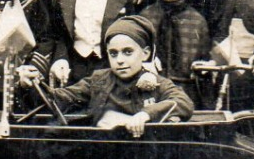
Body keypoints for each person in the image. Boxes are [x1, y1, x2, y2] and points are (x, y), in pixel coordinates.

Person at [29, 15, 194, 134]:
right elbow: (59, 98)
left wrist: (145, 115)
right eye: (113, 54)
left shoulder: (157, 83)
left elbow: (182, 102)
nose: (120, 60)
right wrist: (30, 82)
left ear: (145, 53)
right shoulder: (99, 80)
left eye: (128, 52)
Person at [137, 0, 211, 109]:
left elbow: (203, 62)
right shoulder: (145, 17)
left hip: (186, 92)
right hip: (151, 90)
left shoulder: (197, 21)